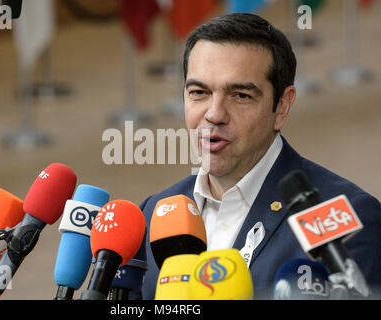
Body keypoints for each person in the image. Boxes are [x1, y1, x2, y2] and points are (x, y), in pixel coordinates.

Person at [134, 13, 381, 300]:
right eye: (199, 92)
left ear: (282, 107)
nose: (214, 114)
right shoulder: (153, 213)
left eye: (240, 95)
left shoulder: (350, 218)